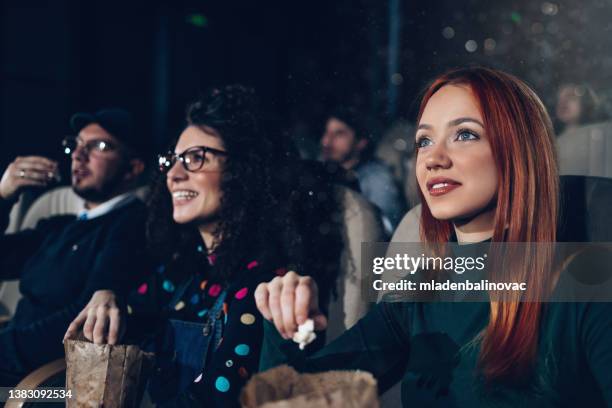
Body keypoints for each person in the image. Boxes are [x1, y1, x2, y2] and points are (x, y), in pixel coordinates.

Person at [255, 67, 612, 406]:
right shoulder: (420, 290)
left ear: (519, 152)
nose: (433, 159)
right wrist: (287, 325)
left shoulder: (588, 284)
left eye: (465, 134)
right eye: (424, 141)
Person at [65, 86, 344, 407]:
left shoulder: (263, 284)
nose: (174, 174)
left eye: (196, 158)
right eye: (173, 160)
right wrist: (108, 294)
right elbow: (126, 328)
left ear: (244, 170)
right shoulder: (183, 270)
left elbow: (212, 400)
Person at [0, 108, 149, 386]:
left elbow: (82, 320)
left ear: (133, 167)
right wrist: (3, 196)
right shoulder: (59, 226)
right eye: (76, 145)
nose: (79, 155)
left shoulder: (134, 226)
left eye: (99, 146)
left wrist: (4, 349)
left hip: (49, 388)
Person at [320, 107, 406, 235]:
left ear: (361, 142)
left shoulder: (376, 179)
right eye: (326, 133)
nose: (326, 141)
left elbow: (386, 230)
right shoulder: (321, 171)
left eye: (339, 134)